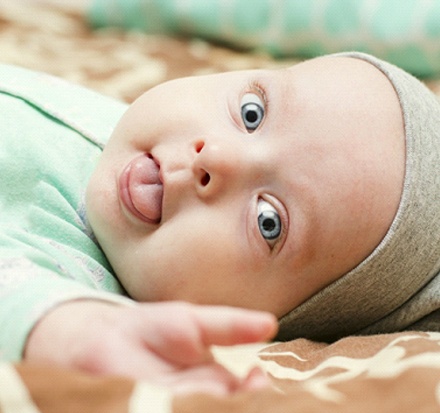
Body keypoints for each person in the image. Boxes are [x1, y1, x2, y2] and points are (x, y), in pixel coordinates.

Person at [1, 51, 439, 387]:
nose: (216, 157)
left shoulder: (71, 277)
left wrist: (71, 331)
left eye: (270, 221)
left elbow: (26, 300)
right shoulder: (122, 128)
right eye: (253, 114)